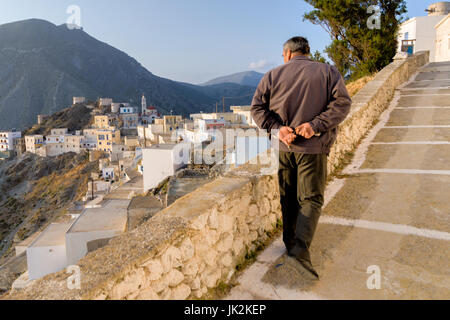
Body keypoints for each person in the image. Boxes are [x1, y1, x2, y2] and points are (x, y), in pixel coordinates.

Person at [251, 36, 352, 278]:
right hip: (313, 149)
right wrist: (315, 125)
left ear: (286, 54)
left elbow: (256, 108)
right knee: (311, 199)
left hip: (284, 148)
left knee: (288, 197)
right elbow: (343, 104)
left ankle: (291, 246)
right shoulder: (328, 72)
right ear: (307, 52)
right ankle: (299, 252)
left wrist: (278, 129)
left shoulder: (272, 76)